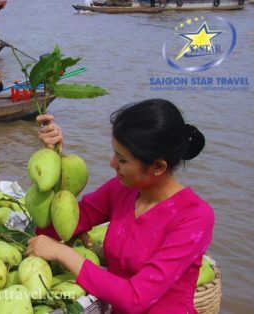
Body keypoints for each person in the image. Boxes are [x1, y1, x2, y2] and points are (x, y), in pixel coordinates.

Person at [27, 99, 214, 314]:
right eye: (115, 153)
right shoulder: (121, 189)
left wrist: (62, 253)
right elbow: (54, 229)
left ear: (158, 166)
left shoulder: (194, 217)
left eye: (122, 160)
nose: (112, 163)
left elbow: (136, 298)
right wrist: (52, 162)